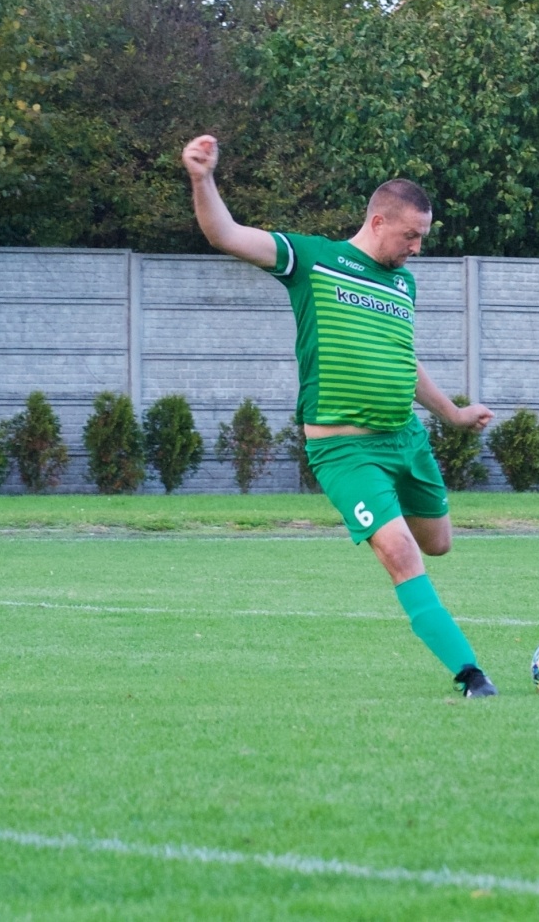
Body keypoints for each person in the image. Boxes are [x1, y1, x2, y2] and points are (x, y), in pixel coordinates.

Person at [181, 134, 500, 697]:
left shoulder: (403, 283)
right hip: (345, 450)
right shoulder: (314, 260)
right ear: (379, 222)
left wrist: (450, 414)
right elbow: (224, 235)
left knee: (438, 543)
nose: (418, 249)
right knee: (400, 551)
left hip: (405, 438)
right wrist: (203, 178)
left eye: (423, 238)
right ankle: (471, 674)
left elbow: (404, 360)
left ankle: (389, 511)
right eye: (412, 236)